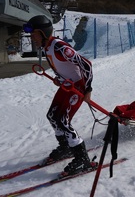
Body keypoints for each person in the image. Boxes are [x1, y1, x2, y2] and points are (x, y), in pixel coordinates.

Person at [23, 15, 93, 175]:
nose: (32, 38)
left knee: (63, 120)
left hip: (78, 87)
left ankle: (82, 159)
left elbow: (86, 65)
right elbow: (64, 67)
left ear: (42, 32)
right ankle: (65, 147)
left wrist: (88, 89)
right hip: (67, 85)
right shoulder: (47, 47)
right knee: (52, 116)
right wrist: (59, 78)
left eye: (34, 34)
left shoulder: (59, 46)